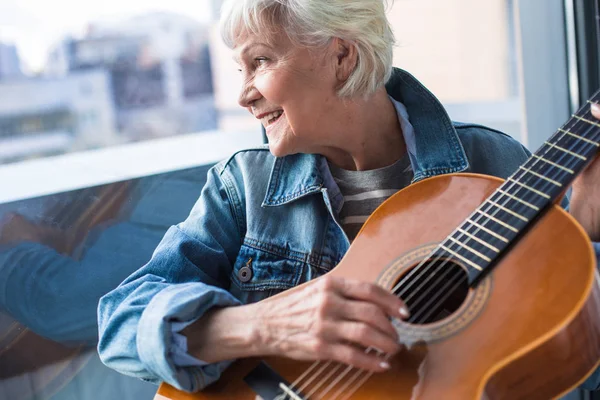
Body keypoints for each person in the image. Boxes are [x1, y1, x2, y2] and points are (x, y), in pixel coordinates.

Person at [97, 0, 600, 394]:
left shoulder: (492, 165)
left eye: (261, 61)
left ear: (341, 56)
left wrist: (586, 225)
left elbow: (570, 355)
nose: (243, 94)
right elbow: (119, 325)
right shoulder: (242, 188)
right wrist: (262, 325)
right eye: (241, 69)